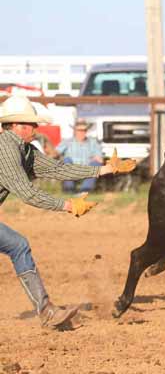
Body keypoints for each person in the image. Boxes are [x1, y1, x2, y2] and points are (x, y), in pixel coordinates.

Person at [0, 95, 136, 330]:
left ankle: (47, 312)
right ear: (16, 126)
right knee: (18, 245)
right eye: (31, 124)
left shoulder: (24, 150)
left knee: (18, 245)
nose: (36, 127)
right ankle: (47, 312)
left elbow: (58, 169)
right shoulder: (8, 149)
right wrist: (68, 206)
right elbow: (27, 193)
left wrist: (104, 169)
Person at [55, 119, 103, 193]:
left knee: (96, 164)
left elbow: (100, 158)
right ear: (75, 131)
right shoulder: (67, 141)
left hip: (87, 168)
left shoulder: (93, 142)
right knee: (66, 160)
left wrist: (97, 158)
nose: (82, 132)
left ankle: (85, 190)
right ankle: (69, 190)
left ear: (86, 131)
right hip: (71, 168)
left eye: (84, 130)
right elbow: (56, 152)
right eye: (79, 130)